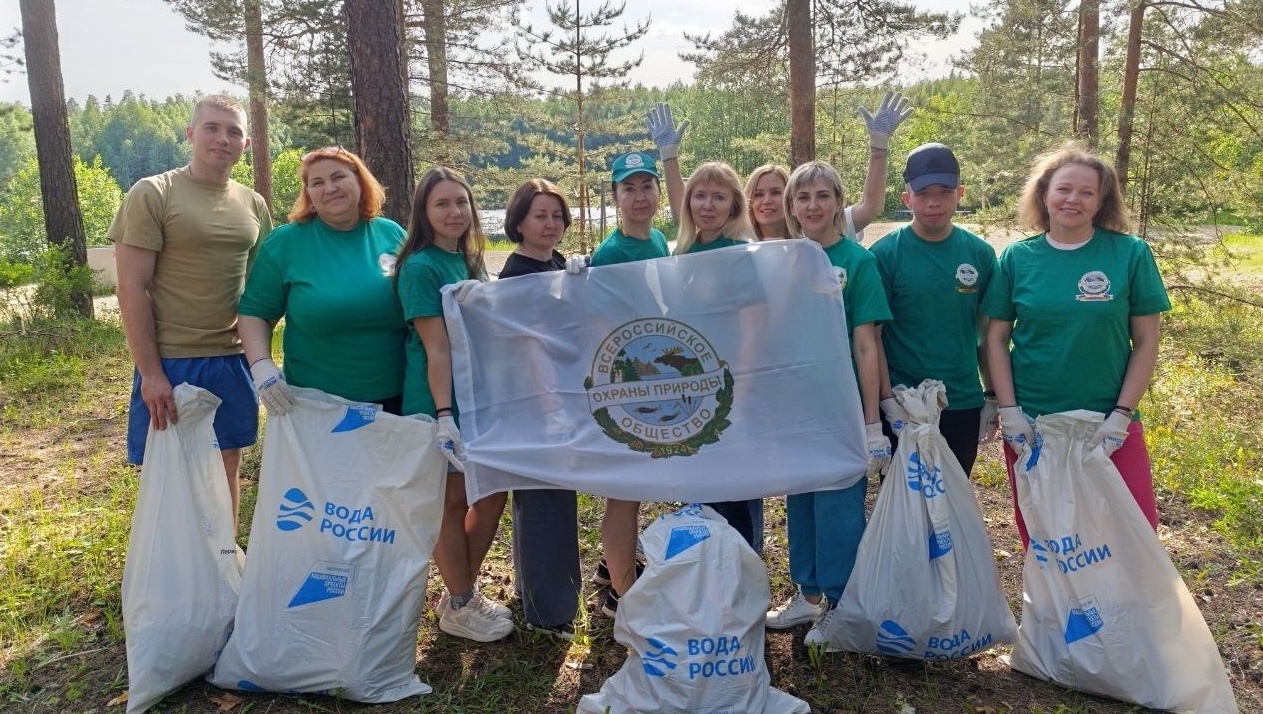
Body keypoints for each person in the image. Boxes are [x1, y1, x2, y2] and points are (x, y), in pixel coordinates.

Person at [984, 143, 1170, 548]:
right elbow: (995, 338)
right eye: (1064, 189)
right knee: (1046, 536)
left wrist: (1121, 415)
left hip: (1107, 422)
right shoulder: (1018, 258)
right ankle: (1058, 613)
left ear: (1102, 201)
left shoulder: (1130, 254)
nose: (1073, 199)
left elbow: (1147, 341)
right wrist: (1009, 411)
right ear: (1044, 193)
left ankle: (1126, 612)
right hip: (1035, 424)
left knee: (1136, 532)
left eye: (1087, 192)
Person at [111, 94, 273, 529]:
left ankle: (222, 563)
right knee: (170, 473)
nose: (223, 138)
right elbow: (131, 289)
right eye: (212, 128)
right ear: (190, 134)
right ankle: (172, 575)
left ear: (246, 144)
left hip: (230, 358)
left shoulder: (253, 204)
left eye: (233, 131)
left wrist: (262, 364)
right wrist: (151, 373)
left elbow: (259, 295)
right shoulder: (153, 193)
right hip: (172, 359)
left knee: (226, 467)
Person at [765, 160, 893, 647]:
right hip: (796, 407)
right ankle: (809, 594)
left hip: (840, 410)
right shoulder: (782, 260)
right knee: (801, 500)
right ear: (790, 207)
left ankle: (842, 604)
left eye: (822, 195)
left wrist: (871, 423)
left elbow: (867, 345)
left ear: (839, 202)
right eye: (803, 198)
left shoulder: (856, 263)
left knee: (839, 507)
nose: (812, 205)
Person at [396, 167, 513, 643]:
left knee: (489, 493)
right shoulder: (420, 267)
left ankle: (458, 593)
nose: (454, 212)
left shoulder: (468, 260)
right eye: (442, 204)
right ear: (424, 212)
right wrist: (444, 416)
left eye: (461, 203)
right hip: (437, 398)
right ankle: (463, 603)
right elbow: (436, 347)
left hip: (475, 395)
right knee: (451, 499)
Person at [237, 147, 407, 417]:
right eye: (317, 182)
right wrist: (262, 367)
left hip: (397, 401)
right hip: (314, 405)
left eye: (338, 177)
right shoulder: (286, 243)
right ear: (309, 194)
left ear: (359, 181)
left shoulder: (392, 234)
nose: (330, 188)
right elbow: (254, 313)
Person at [871, 143, 999, 476]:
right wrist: (887, 402)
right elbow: (873, 339)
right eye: (923, 192)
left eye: (944, 191)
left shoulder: (981, 255)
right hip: (905, 405)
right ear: (906, 199)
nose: (934, 202)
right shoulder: (885, 255)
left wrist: (991, 395)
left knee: (952, 507)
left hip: (961, 403)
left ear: (960, 193)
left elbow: (989, 335)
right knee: (906, 511)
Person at [498, 178, 582, 640]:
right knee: (542, 501)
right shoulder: (516, 276)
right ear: (519, 222)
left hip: (561, 399)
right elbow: (527, 347)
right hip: (535, 404)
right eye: (539, 216)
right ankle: (548, 613)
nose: (550, 224)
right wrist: (549, 404)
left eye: (556, 216)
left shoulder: (555, 264)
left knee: (554, 498)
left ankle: (549, 593)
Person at [589, 151, 671, 616]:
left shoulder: (657, 238)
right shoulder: (612, 254)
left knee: (638, 486)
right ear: (616, 196)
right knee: (625, 491)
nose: (639, 196)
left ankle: (612, 569)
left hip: (655, 379)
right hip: (629, 386)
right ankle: (622, 598)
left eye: (646, 186)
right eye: (628, 188)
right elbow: (603, 328)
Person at [743, 91, 913, 242]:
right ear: (748, 201)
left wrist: (878, 147)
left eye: (776, 192)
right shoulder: (740, 245)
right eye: (758, 194)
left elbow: (870, 206)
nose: (767, 201)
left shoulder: (823, 229)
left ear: (790, 200)